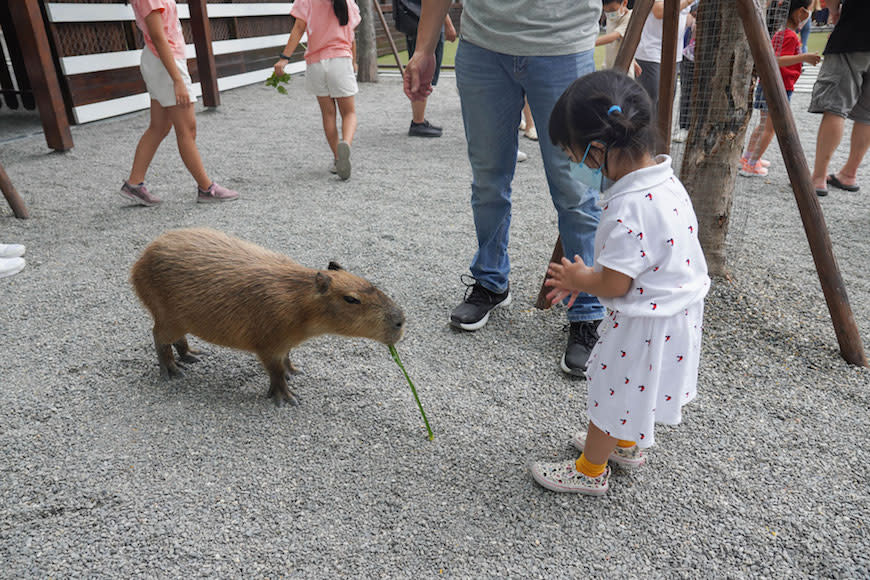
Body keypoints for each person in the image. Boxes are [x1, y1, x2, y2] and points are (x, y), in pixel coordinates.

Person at [527, 70, 710, 495]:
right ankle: (625, 445)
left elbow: (614, 285)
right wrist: (590, 280)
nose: (576, 166)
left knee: (611, 392)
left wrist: (579, 277)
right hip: (677, 313)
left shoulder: (626, 207)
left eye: (575, 156)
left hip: (644, 322)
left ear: (598, 148)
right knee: (637, 385)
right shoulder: (665, 178)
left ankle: (590, 469)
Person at [404, 0, 606, 375]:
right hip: (483, 45)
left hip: (563, 45)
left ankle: (588, 309)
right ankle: (491, 280)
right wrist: (423, 48)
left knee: (578, 190)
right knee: (487, 182)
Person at [121, 0, 238, 206]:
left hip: (160, 61)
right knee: (187, 129)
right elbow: (158, 36)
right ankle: (206, 188)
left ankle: (134, 184)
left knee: (159, 127)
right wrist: (177, 80)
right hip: (165, 63)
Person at [275, 0, 361, 180]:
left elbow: (298, 29)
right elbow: (351, 35)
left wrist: (284, 58)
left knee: (328, 114)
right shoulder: (348, 2)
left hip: (316, 64)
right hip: (340, 60)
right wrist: (353, 61)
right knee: (349, 113)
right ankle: (345, 143)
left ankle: (338, 159)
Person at [740, 0, 821, 178]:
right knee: (770, 128)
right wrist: (803, 57)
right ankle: (751, 164)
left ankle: (749, 157)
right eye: (807, 11)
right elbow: (775, 60)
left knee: (763, 125)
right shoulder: (789, 36)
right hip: (779, 86)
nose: (808, 16)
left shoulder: (783, 33)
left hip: (772, 84)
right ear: (799, 13)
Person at [809, 0, 870, 196]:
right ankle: (849, 173)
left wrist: (834, 11)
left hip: (855, 32)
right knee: (867, 114)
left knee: (836, 106)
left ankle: (818, 178)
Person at [398, 0, 456, 137]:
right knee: (421, 71)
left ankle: (419, 119)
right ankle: (418, 121)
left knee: (423, 70)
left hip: (419, 20)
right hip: (421, 22)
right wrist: (447, 23)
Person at [634, 0, 694, 105]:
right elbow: (659, 11)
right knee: (650, 101)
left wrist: (694, 22)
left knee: (668, 101)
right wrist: (688, 1)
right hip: (651, 54)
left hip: (674, 55)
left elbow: (683, 14)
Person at [596, 0, 640, 79]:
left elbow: (614, 36)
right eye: (606, 11)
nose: (610, 14)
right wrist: (633, 61)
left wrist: (591, 43)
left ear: (625, 3)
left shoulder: (629, 17)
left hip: (623, 70)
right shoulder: (612, 18)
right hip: (608, 67)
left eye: (612, 10)